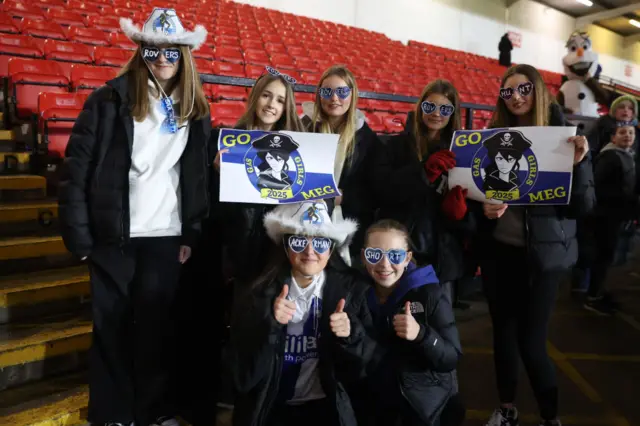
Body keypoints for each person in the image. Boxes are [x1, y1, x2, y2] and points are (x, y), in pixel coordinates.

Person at [58, 8, 210, 426]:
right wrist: (82, 240)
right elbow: (76, 170)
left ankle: (152, 413)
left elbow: (194, 177)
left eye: (171, 52)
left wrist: (191, 232)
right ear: (141, 51)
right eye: (153, 50)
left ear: (184, 56)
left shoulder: (196, 108)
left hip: (165, 235)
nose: (162, 58)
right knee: (111, 330)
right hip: (114, 236)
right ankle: (111, 415)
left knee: (155, 333)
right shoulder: (108, 99)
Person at [475, 64, 594, 426]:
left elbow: (583, 206)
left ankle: (549, 416)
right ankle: (507, 408)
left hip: (541, 259)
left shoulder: (566, 137)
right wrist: (482, 207)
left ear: (539, 89)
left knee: (532, 343)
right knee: (503, 338)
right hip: (500, 255)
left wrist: (580, 164)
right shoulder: (492, 136)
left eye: (523, 88)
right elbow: (473, 196)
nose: (516, 97)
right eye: (508, 91)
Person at [226, 200, 377, 426]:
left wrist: (350, 335)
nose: (309, 252)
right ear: (286, 247)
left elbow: (366, 374)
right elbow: (241, 378)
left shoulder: (352, 292)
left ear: (331, 249)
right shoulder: (259, 294)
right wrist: (269, 324)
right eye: (298, 242)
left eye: (320, 243)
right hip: (271, 409)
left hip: (325, 410)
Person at [351, 219, 465, 426]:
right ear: (363, 256)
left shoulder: (429, 294)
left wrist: (422, 335)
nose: (384, 264)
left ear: (407, 258)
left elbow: (451, 358)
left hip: (420, 407)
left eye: (395, 256)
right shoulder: (354, 293)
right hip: (372, 402)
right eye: (374, 255)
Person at [377, 79, 475, 308]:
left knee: (439, 324)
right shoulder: (394, 146)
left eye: (445, 109)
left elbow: (474, 212)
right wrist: (423, 173)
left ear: (453, 113)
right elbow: (384, 191)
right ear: (421, 107)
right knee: (395, 320)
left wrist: (460, 214)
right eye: (430, 107)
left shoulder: (463, 153)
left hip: (443, 256)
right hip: (401, 249)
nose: (436, 114)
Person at [302, 65, 386, 262]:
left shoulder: (367, 139)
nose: (334, 98)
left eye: (342, 92)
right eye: (327, 92)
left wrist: (344, 198)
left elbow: (375, 191)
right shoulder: (303, 128)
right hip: (304, 220)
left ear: (352, 95)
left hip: (348, 225)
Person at [584, 120, 639, 314]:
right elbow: (598, 187)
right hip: (605, 216)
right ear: (613, 137)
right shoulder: (609, 157)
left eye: (630, 133)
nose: (627, 136)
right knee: (603, 256)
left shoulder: (626, 155)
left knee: (607, 257)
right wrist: (628, 200)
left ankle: (598, 291)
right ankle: (593, 297)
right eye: (622, 132)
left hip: (616, 215)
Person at [482, 130, 533, 196]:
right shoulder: (488, 182)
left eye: (510, 159)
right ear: (494, 159)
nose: (504, 163)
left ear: (516, 160)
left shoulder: (517, 182)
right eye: (500, 158)